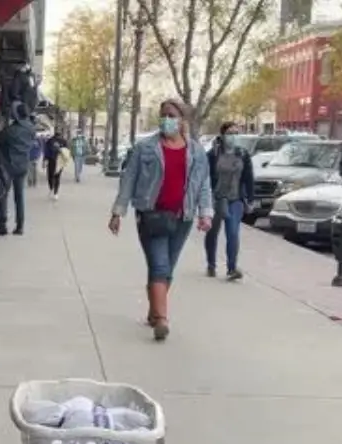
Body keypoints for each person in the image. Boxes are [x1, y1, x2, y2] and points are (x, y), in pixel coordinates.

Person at [107, 98, 212, 342]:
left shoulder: (196, 151)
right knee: (160, 266)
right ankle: (162, 320)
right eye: (163, 115)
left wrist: (205, 213)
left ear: (182, 120)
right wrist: (118, 213)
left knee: (167, 269)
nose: (167, 119)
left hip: (182, 217)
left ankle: (154, 311)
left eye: (172, 115)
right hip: (151, 215)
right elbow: (129, 179)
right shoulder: (145, 147)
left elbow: (203, 184)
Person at [205, 121, 254, 281]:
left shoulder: (243, 154)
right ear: (223, 135)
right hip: (217, 199)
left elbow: (248, 178)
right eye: (230, 133)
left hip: (235, 199)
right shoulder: (213, 155)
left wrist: (250, 199)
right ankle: (211, 264)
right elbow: (206, 178)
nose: (233, 137)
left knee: (232, 233)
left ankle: (232, 268)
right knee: (213, 233)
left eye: (235, 133)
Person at [0, 101, 34, 236]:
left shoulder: (11, 130)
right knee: (19, 196)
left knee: (3, 195)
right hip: (23, 165)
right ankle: (20, 226)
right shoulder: (31, 128)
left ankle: (2, 225)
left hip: (7, 167)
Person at [43, 132, 67, 200]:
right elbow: (67, 152)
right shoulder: (63, 141)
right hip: (60, 161)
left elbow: (46, 151)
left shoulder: (50, 141)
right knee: (57, 177)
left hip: (52, 161)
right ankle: (56, 192)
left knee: (50, 176)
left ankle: (52, 189)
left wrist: (45, 160)